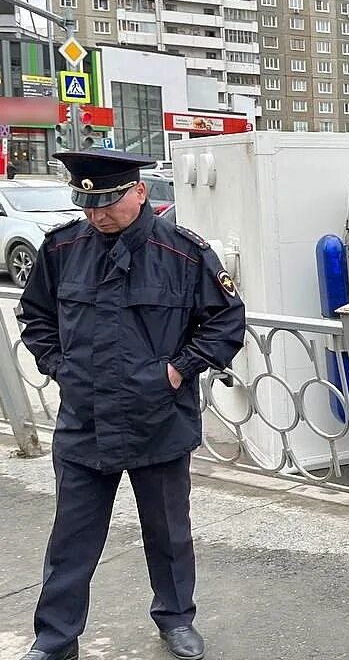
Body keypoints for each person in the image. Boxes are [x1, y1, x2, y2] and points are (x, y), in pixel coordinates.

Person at [15, 149, 246, 660]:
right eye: (88, 203)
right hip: (84, 419)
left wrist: (179, 368)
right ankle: (56, 638)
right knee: (71, 540)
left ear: (139, 192)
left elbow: (227, 321)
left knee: (167, 534)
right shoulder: (62, 248)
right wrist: (60, 366)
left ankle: (175, 619)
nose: (97, 214)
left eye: (108, 203)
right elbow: (35, 316)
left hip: (157, 419)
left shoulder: (183, 253)